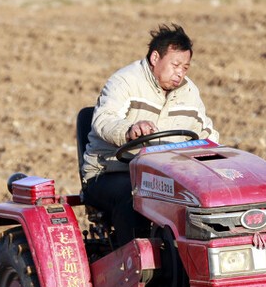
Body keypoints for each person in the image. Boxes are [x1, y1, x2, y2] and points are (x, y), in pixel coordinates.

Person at [80, 23, 220, 245]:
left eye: (185, 68)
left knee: (201, 194)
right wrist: (128, 130)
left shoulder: (189, 92)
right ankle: (138, 267)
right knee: (135, 196)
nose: (180, 73)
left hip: (163, 174)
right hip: (111, 171)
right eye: (175, 65)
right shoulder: (125, 81)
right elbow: (103, 119)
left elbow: (206, 131)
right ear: (155, 58)